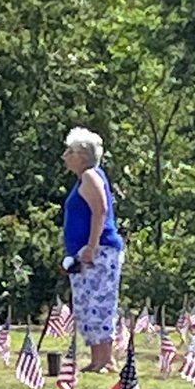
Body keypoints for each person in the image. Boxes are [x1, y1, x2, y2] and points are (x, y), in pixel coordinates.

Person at [62, 126, 125, 372]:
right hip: (85, 252)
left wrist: (92, 246)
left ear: (81, 154)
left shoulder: (90, 176)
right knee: (88, 304)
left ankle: (105, 359)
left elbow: (101, 211)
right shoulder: (85, 178)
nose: (65, 156)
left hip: (99, 251)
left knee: (100, 302)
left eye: (69, 151)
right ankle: (98, 358)